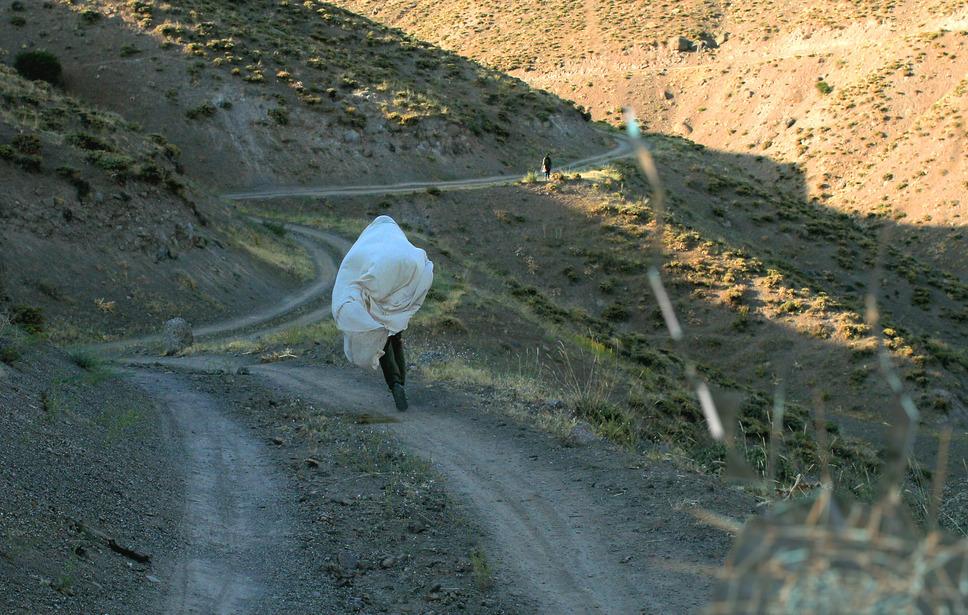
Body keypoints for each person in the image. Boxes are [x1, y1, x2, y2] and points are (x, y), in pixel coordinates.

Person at [332, 216, 434, 411]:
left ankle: (394, 383)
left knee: (383, 338)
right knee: (396, 338)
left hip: (380, 284)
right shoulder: (398, 239)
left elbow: (351, 268)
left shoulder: (370, 240)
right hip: (403, 286)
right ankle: (401, 383)